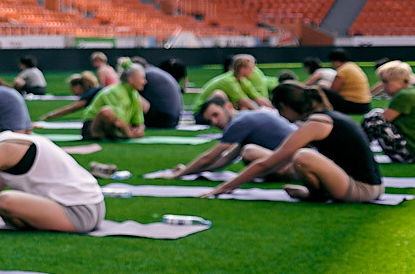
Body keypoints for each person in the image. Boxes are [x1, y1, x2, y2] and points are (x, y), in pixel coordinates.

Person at [204, 81, 383, 203]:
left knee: (303, 157)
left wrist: (224, 188)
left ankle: (315, 195)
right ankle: (313, 195)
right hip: (369, 186)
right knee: (300, 156)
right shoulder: (324, 118)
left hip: (363, 190)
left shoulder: (316, 123)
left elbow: (269, 163)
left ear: (284, 107)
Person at [0, 114, 105, 233]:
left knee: (6, 201)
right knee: (9, 212)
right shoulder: (12, 141)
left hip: (81, 212)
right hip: (95, 206)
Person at [158, 92, 297, 180]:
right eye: (210, 120)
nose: (214, 122)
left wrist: (178, 175)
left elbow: (210, 157)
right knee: (248, 154)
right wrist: (189, 171)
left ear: (228, 107)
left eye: (216, 115)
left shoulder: (238, 122)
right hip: (296, 157)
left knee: (249, 152)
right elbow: (225, 160)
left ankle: (287, 173)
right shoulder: (244, 119)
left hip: (294, 162)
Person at [363, 60, 414, 164]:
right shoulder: (410, 92)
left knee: (374, 119)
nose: (383, 86)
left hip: (409, 154)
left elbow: (384, 119)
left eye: (385, 82)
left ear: (400, 80)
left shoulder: (403, 95)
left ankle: (354, 146)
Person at [80, 63, 148, 139]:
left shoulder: (134, 94)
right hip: (91, 126)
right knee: (107, 112)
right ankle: (96, 135)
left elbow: (139, 121)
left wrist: (139, 130)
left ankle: (114, 134)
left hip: (114, 127)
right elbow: (118, 121)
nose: (144, 82)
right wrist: (129, 134)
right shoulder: (115, 91)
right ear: (131, 79)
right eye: (142, 78)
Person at [200, 54, 272, 113]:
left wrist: (273, 109)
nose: (253, 71)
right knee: (221, 95)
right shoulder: (229, 81)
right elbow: (245, 101)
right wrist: (263, 113)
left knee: (242, 107)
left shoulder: (243, 81)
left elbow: (258, 98)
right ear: (242, 69)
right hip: (201, 113)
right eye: (251, 68)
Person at [322, 50, 373, 116]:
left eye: (332, 62)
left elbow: (334, 90)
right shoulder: (352, 66)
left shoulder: (343, 70)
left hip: (353, 104)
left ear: (337, 60)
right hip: (364, 105)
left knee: (322, 90)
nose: (332, 65)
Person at [136, 61, 184, 130]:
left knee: (131, 93)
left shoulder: (146, 75)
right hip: (173, 120)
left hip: (161, 120)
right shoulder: (155, 72)